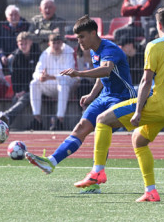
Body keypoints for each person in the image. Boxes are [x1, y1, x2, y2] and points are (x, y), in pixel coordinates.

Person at [57, 7, 164, 202]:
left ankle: (97, 172)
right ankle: (151, 191)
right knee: (139, 142)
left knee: (102, 120)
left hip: (152, 103)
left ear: (158, 25)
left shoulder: (154, 46)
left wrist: (138, 110)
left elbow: (146, 82)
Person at [24, 15, 137, 179]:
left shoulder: (109, 49)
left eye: (82, 37)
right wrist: (92, 94)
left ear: (93, 33)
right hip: (105, 96)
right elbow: (102, 76)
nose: (79, 41)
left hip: (122, 98)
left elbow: (106, 70)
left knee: (101, 132)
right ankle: (51, 162)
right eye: (77, 38)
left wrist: (78, 73)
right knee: (81, 127)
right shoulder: (94, 50)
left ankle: (95, 178)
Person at [27, 31, 78, 130]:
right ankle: (37, 119)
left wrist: (52, 77)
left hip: (68, 86)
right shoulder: (45, 54)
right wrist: (40, 77)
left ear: (62, 43)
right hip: (50, 86)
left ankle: (59, 120)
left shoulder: (68, 52)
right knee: (34, 83)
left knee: (62, 84)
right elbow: (36, 72)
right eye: (53, 43)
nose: (56, 45)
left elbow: (69, 75)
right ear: (49, 44)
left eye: (58, 43)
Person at [0, 31, 40, 126]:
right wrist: (18, 92)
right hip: (23, 90)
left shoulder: (38, 54)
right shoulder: (16, 58)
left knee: (26, 96)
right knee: (16, 98)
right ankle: (5, 122)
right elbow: (15, 78)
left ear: (31, 42)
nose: (23, 46)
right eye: (21, 44)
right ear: (17, 44)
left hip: (38, 87)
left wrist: (25, 90)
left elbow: (36, 76)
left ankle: (5, 116)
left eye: (26, 43)